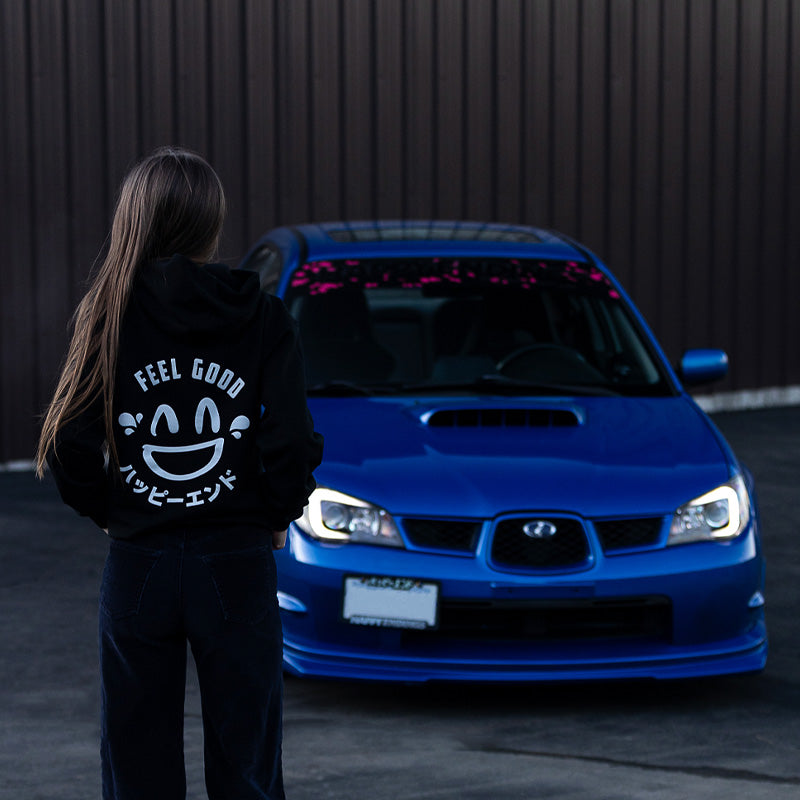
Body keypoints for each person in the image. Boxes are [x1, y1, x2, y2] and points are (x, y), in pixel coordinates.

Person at [35, 146, 323, 799]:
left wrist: (111, 509)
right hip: (236, 559)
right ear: (210, 225)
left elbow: (70, 444)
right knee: (247, 762)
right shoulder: (262, 315)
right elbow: (290, 440)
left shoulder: (106, 315)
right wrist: (275, 513)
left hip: (141, 561)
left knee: (136, 762)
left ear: (135, 219)